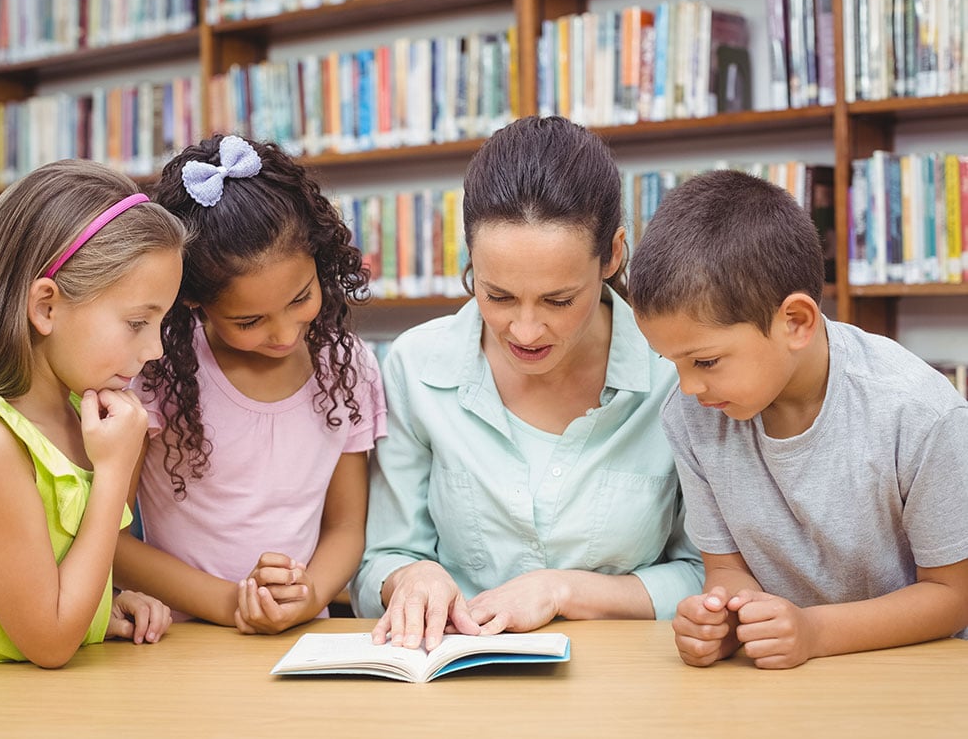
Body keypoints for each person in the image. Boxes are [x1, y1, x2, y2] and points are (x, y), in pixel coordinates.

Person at [351, 115, 703, 650]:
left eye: (559, 301)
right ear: (469, 258)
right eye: (497, 295)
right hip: (458, 680)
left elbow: (705, 575)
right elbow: (381, 561)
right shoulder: (417, 366)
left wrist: (562, 591)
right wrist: (410, 579)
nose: (526, 330)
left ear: (612, 255)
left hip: (629, 687)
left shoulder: (675, 373)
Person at [629, 169, 968, 670]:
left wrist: (813, 631)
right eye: (669, 362)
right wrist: (722, 614)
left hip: (915, 671)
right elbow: (727, 569)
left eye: (704, 362)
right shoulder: (693, 416)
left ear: (795, 322)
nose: (687, 387)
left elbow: (951, 595)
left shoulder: (919, 412)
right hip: (784, 674)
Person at [0, 159, 184, 680]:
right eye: (138, 322)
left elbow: (49, 600)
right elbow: (49, 640)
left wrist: (101, 612)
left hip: (42, 700)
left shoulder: (84, 419)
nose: (154, 349)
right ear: (46, 307)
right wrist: (115, 472)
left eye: (161, 323)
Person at [113, 134, 386, 634]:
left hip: (300, 639)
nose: (283, 334)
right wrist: (232, 604)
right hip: (175, 642)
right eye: (249, 321)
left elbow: (346, 527)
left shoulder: (348, 369)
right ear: (192, 300)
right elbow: (110, 538)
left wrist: (308, 597)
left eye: (301, 298)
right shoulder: (159, 374)